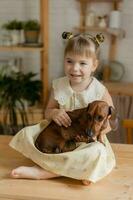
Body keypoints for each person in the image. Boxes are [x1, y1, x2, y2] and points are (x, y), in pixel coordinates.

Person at [10, 32, 116, 186]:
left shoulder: (99, 90)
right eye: (69, 61)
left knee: (96, 152)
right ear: (64, 61)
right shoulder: (59, 86)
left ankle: (46, 172)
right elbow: (47, 112)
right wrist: (54, 113)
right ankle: (79, 169)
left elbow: (109, 124)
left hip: (86, 140)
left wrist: (94, 135)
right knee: (28, 133)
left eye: (82, 63)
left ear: (94, 65)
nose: (74, 68)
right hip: (59, 134)